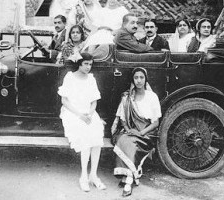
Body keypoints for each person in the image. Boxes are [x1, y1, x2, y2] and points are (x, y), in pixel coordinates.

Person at [58, 53, 106, 192]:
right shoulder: (70, 77)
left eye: (90, 64)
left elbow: (94, 102)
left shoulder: (91, 79)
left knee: (97, 133)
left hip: (88, 112)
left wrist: (90, 114)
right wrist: (80, 115)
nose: (88, 67)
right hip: (72, 113)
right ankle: (83, 176)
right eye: (85, 64)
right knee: (85, 134)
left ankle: (93, 175)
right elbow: (64, 101)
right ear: (79, 64)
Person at [111, 67, 161, 197]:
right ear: (132, 80)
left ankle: (128, 180)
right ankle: (129, 177)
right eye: (136, 78)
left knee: (131, 143)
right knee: (123, 139)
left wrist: (141, 132)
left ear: (145, 79)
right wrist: (129, 131)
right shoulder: (127, 97)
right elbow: (123, 119)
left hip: (147, 133)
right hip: (130, 131)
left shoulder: (152, 96)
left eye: (141, 77)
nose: (139, 81)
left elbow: (155, 123)